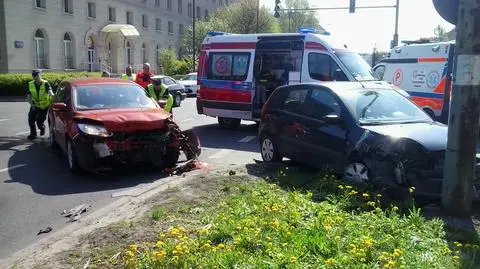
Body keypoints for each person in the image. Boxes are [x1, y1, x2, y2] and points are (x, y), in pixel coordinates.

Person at [26, 70, 54, 140]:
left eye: (37, 76)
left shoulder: (45, 83)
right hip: (34, 105)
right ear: (33, 77)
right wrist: (32, 104)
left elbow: (50, 92)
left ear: (40, 76)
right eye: (34, 76)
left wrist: (53, 96)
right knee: (31, 120)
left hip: (44, 106)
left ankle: (42, 127)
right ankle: (33, 134)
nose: (36, 77)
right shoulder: (30, 84)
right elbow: (28, 96)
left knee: (39, 121)